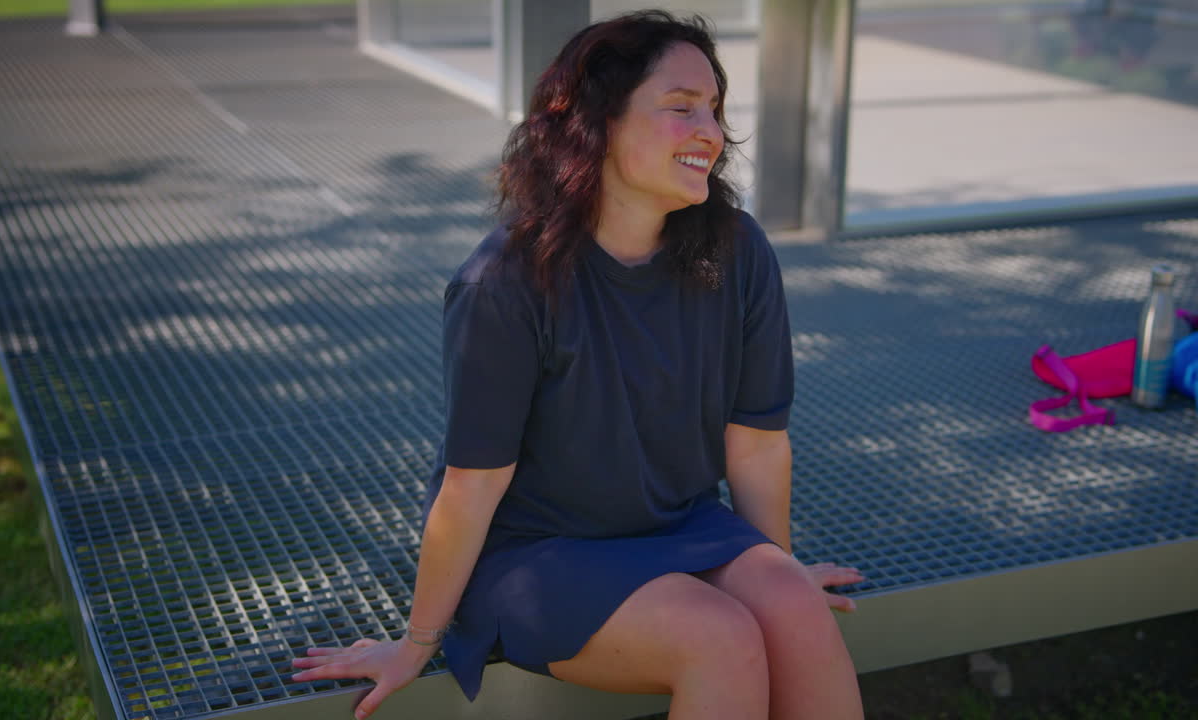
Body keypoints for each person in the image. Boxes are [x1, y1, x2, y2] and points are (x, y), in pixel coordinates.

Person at [292, 10, 865, 719]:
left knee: (795, 609)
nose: (711, 133)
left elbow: (756, 444)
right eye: (681, 108)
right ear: (598, 122)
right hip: (539, 551)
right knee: (719, 637)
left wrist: (771, 571)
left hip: (677, 523)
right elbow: (471, 489)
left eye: (715, 110)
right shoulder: (505, 282)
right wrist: (415, 643)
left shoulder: (736, 250)